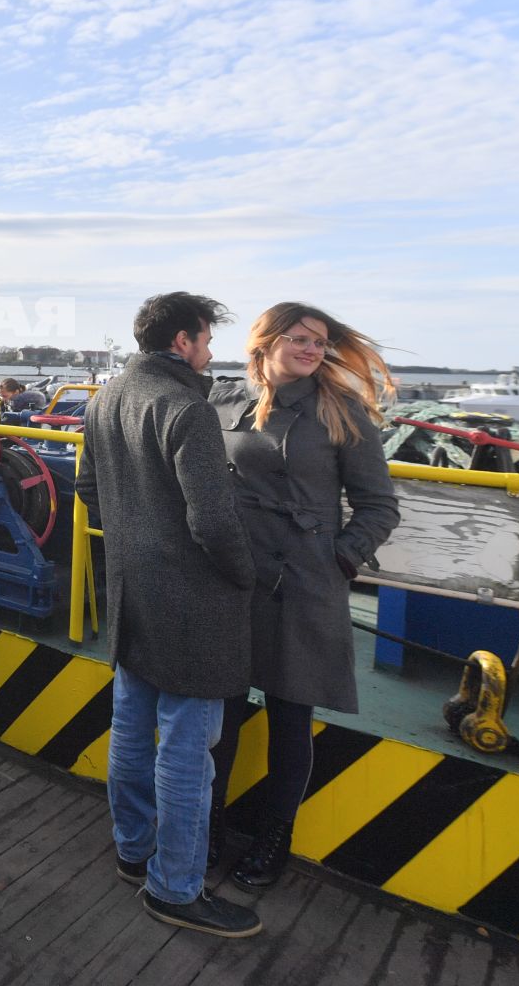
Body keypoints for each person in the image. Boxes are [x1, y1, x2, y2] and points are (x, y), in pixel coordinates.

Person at [78, 291, 259, 938]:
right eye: (207, 341)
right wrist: (246, 577)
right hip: (192, 607)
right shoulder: (188, 408)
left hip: (134, 594)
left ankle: (134, 851)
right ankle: (174, 888)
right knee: (188, 751)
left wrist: (130, 543)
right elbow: (212, 521)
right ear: (182, 340)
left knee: (131, 727)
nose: (211, 354)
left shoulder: (104, 399)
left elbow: (87, 489)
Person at [207, 304, 400, 889]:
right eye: (300, 339)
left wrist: (338, 558)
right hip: (235, 575)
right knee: (221, 711)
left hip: (305, 582)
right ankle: (209, 825)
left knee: (292, 715)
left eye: (320, 342)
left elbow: (379, 507)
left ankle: (274, 837)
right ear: (264, 342)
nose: (314, 350)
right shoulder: (222, 401)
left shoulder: (342, 412)